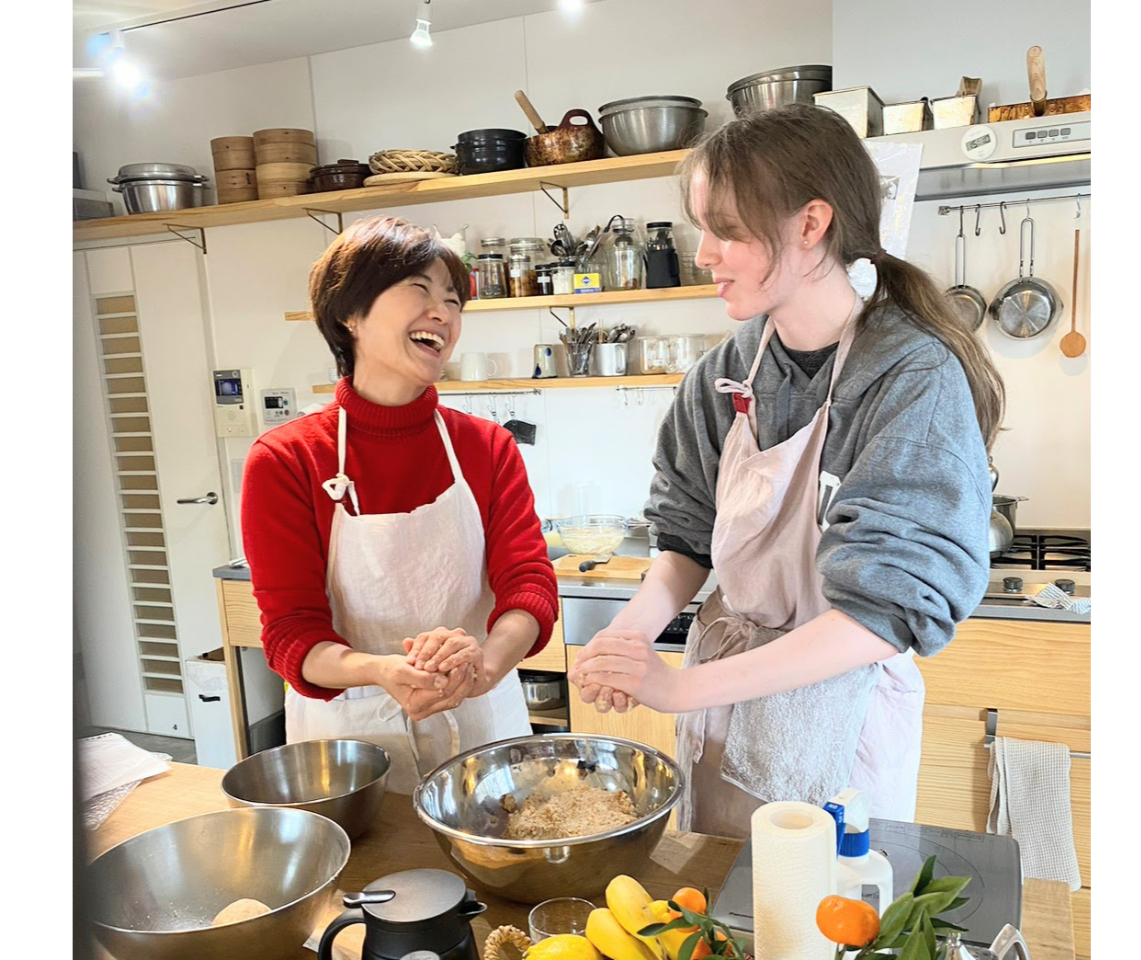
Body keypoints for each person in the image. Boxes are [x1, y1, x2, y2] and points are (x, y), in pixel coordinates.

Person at [567, 104, 1003, 836]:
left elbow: (878, 617)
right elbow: (685, 540)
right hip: (727, 713)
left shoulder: (909, 375)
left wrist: (678, 690)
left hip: (843, 720)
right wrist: (632, 635)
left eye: (727, 231)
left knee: (830, 926)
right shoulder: (726, 373)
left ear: (811, 225)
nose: (703, 253)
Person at [241, 215, 557, 794]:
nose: (443, 312)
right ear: (348, 315)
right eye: (420, 290)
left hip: (480, 724)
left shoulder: (486, 447)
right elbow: (291, 634)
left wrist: (484, 663)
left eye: (454, 300)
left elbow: (530, 585)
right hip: (352, 748)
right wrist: (382, 671)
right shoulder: (287, 459)